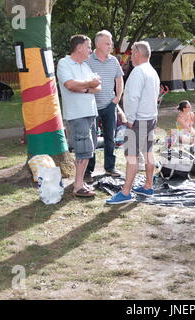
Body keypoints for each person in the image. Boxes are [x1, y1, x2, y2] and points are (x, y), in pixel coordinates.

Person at [106, 41, 160, 205]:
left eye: (132, 52)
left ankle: (126, 192)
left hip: (138, 120)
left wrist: (129, 119)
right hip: (150, 117)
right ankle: (148, 186)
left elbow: (133, 98)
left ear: (137, 53)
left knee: (132, 156)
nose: (130, 56)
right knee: (148, 152)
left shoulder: (138, 72)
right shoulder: (152, 71)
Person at [57, 34, 102, 198]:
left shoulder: (85, 66)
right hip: (77, 114)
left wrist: (85, 87)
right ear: (80, 47)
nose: (91, 50)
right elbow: (70, 85)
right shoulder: (64, 63)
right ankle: (77, 186)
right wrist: (90, 84)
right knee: (84, 150)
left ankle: (80, 182)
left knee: (89, 149)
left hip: (90, 112)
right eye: (89, 47)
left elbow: (98, 87)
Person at [85, 30, 124, 177]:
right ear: (98, 44)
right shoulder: (87, 61)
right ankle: (89, 169)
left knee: (110, 138)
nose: (111, 45)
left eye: (111, 42)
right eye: (107, 43)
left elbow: (119, 79)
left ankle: (110, 167)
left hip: (109, 105)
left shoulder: (113, 60)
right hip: (91, 106)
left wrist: (117, 98)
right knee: (91, 139)